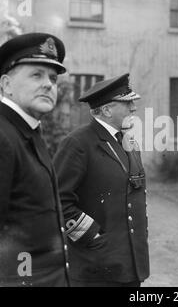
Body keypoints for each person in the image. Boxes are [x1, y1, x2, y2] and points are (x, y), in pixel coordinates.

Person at [0, 33, 70, 286]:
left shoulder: (27, 131)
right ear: (6, 84)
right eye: (36, 75)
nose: (49, 84)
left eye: (53, 78)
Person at [53, 73, 149, 287]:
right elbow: (57, 199)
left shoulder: (127, 141)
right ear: (106, 110)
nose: (134, 108)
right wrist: (92, 236)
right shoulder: (78, 143)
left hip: (129, 264)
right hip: (96, 267)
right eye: (127, 103)